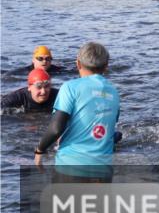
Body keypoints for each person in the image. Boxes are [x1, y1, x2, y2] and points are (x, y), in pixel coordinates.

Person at [34, 42, 120, 180]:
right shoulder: (114, 92)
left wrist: (39, 151)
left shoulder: (70, 87)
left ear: (78, 64)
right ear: (106, 66)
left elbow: (56, 128)